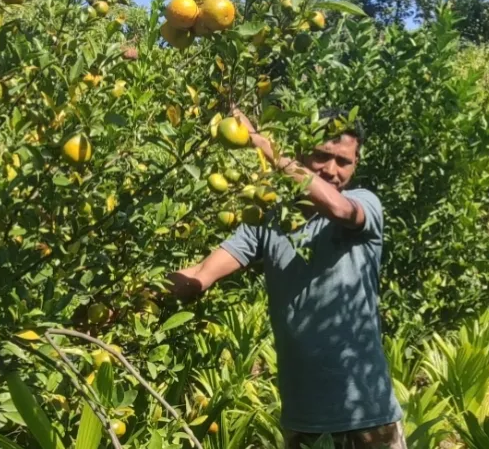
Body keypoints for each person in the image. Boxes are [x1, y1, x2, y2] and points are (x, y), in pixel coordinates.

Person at [166, 107, 405, 449]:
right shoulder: (267, 219)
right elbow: (201, 275)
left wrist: (263, 145)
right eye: (322, 156)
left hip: (366, 416)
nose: (331, 170)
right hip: (302, 421)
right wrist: (134, 292)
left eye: (344, 162)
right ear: (302, 152)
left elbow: (339, 209)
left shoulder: (363, 204)